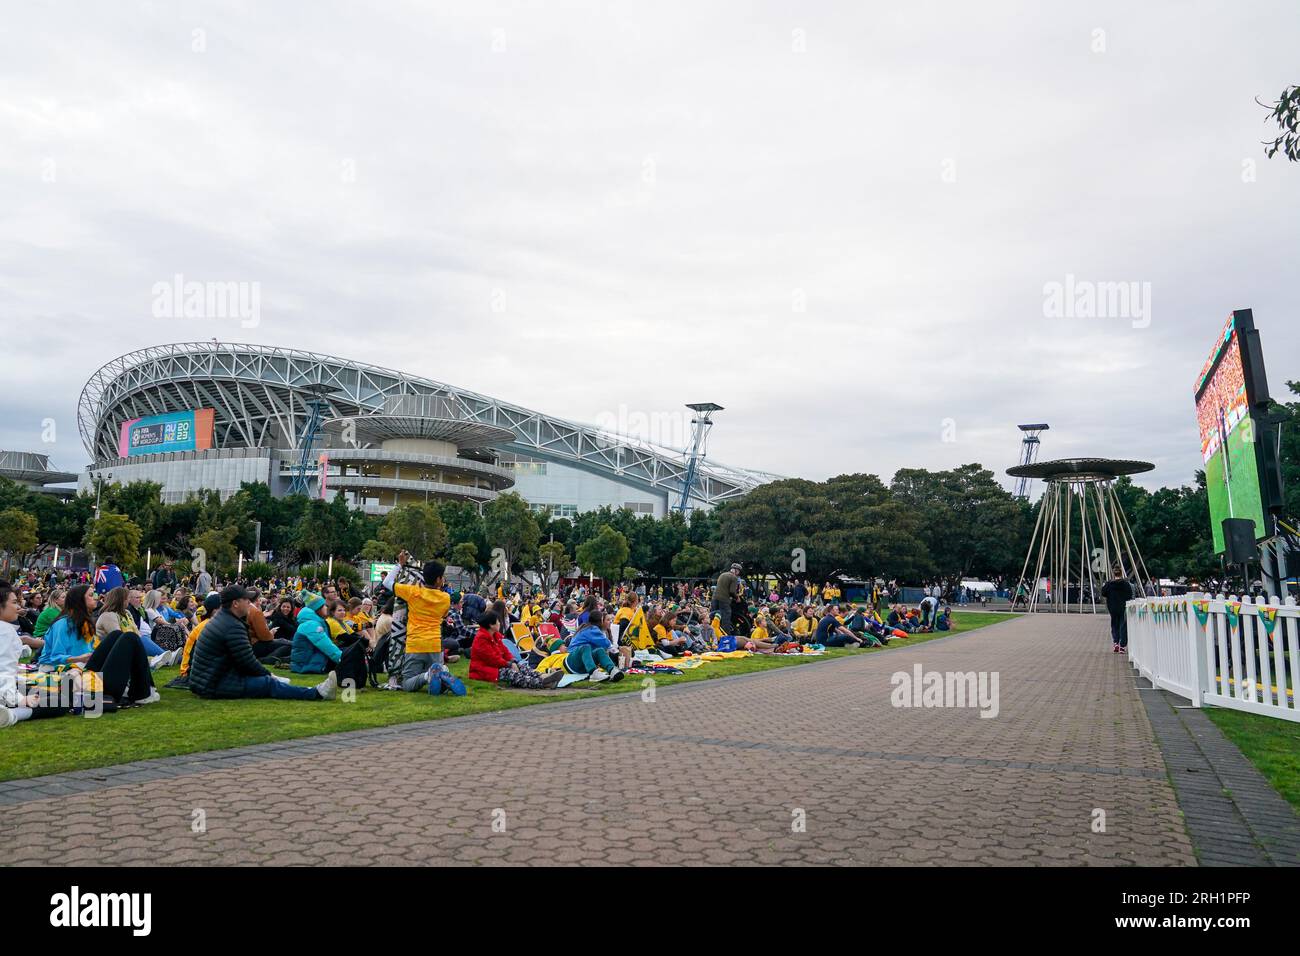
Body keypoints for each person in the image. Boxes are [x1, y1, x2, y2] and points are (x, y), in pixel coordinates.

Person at [189, 585, 336, 701]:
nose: (250, 604)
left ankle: (314, 691)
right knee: (268, 684)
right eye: (247, 601)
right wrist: (270, 675)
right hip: (215, 685)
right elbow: (247, 661)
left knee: (267, 676)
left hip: (206, 681)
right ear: (235, 604)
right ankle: (316, 693)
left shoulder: (223, 620)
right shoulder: (232, 625)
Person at [1, 580, 71, 728]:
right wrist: (22, 699)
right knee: (59, 701)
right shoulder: (6, 631)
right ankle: (13, 714)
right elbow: (4, 675)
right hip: (6, 693)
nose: (18, 607)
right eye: (14, 602)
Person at [381, 551, 451, 693]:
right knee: (438, 680)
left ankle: (427, 676)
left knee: (407, 683)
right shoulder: (445, 598)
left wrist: (399, 564)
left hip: (415, 644)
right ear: (438, 579)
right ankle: (441, 673)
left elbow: (386, 582)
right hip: (434, 645)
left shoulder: (413, 592)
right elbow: (444, 615)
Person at [468, 610, 563, 688]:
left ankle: (544, 677)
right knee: (512, 674)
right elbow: (492, 659)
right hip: (483, 671)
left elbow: (505, 651)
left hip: (497, 666)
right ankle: (543, 682)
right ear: (491, 625)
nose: (499, 623)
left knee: (521, 667)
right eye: (497, 621)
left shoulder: (495, 636)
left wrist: (512, 661)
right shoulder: (481, 639)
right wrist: (509, 664)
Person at [565, 610, 624, 682]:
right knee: (585, 647)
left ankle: (612, 670)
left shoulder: (587, 627)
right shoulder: (592, 629)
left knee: (599, 650)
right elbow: (607, 644)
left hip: (579, 661)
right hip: (572, 660)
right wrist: (617, 650)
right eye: (606, 620)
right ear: (600, 621)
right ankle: (593, 673)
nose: (610, 622)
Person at [1100, 568, 1133, 653]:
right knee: (1123, 625)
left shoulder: (1109, 584)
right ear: (1121, 573)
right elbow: (1130, 595)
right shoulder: (1126, 584)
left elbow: (1103, 593)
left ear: (1114, 574)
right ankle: (1122, 645)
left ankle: (1116, 642)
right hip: (1123, 607)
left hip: (1112, 607)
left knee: (1114, 625)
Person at [712, 563, 742, 635]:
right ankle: (726, 637)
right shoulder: (734, 577)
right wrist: (737, 598)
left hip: (714, 599)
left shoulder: (722, 574)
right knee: (725, 619)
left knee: (715, 617)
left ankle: (713, 634)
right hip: (724, 600)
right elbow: (732, 591)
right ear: (737, 571)